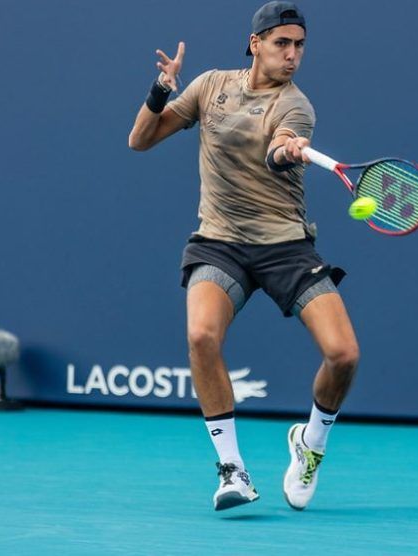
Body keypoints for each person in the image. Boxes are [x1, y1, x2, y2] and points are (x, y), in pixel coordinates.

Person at [127, 1, 359, 512]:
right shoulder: (211, 85)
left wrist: (286, 149)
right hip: (219, 242)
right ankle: (232, 469)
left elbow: (278, 149)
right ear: (255, 43)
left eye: (300, 46)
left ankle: (311, 443)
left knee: (344, 354)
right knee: (201, 335)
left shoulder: (296, 106)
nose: (292, 55)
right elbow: (140, 139)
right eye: (282, 43)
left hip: (285, 246)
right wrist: (162, 88)